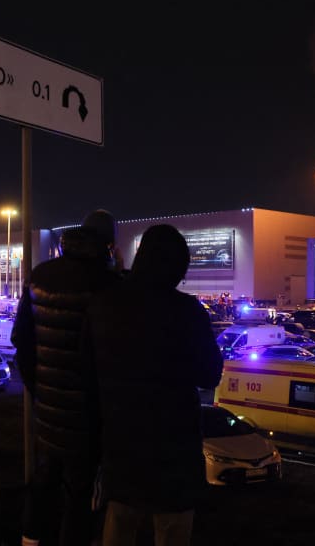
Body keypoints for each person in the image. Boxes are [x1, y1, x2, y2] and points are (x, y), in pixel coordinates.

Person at [82, 224, 224, 546]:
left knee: (119, 518)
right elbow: (210, 374)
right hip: (172, 442)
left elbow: (86, 368)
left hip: (120, 436)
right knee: (173, 525)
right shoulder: (187, 311)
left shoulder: (103, 304)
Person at [12, 209, 122, 546]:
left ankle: (30, 539)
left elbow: (20, 339)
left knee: (44, 480)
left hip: (48, 409)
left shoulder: (41, 275)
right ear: (108, 245)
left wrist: (39, 387)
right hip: (90, 413)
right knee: (80, 494)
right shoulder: (109, 285)